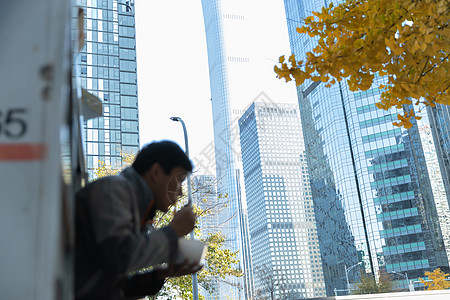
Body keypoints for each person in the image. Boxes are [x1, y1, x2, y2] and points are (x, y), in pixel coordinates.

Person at [75, 141, 201, 300]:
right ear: (156, 172)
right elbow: (118, 256)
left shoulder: (135, 208)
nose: (181, 192)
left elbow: (113, 285)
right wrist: (173, 232)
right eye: (179, 180)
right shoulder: (114, 190)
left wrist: (161, 274)